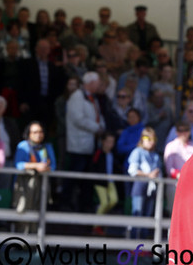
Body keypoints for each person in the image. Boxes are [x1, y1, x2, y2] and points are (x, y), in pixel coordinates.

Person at [65, 71, 106, 212]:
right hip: (78, 145)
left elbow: (97, 116)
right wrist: (97, 128)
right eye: (98, 82)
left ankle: (84, 204)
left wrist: (102, 127)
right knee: (74, 176)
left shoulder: (92, 97)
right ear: (91, 83)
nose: (100, 85)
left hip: (90, 144)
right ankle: (66, 203)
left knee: (86, 179)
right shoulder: (77, 97)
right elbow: (78, 119)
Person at [13, 121, 56, 233]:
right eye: (35, 132)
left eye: (41, 132)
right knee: (23, 209)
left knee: (39, 211)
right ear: (29, 134)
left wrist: (46, 167)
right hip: (26, 184)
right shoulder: (23, 145)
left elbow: (53, 165)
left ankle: (34, 241)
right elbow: (19, 164)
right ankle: (21, 239)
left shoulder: (46, 147)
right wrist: (36, 166)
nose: (38, 134)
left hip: (41, 183)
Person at [126, 126, 161, 238]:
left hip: (151, 189)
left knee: (147, 216)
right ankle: (134, 242)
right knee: (138, 214)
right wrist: (148, 175)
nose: (151, 142)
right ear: (142, 139)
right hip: (139, 187)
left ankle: (143, 245)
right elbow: (132, 170)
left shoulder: (155, 155)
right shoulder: (137, 152)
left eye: (153, 139)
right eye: (148, 138)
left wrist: (155, 175)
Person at [163, 120, 193, 213]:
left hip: (191, 184)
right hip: (174, 184)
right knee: (173, 213)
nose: (183, 133)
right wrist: (180, 175)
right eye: (180, 130)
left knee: (188, 213)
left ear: (189, 131)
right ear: (176, 132)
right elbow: (168, 168)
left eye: (186, 130)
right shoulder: (170, 146)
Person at [90, 131, 120, 235]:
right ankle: (95, 226)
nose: (110, 144)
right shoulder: (98, 153)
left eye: (112, 142)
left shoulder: (112, 154)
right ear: (103, 142)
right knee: (105, 202)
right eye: (108, 142)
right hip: (100, 182)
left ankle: (101, 216)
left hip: (110, 181)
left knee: (114, 200)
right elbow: (93, 166)